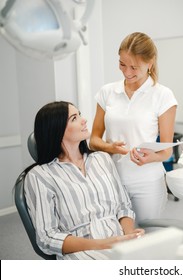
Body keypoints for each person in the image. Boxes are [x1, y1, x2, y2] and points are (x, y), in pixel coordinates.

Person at [24, 101, 145, 260]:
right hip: (82, 252)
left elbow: (123, 206)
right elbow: (47, 238)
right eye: (74, 118)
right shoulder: (39, 176)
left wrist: (129, 234)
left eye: (80, 114)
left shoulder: (102, 159)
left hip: (121, 242)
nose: (84, 120)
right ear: (57, 129)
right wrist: (103, 244)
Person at [90, 32, 178, 222]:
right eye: (122, 64)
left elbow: (166, 152)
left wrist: (151, 157)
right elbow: (93, 141)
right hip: (110, 181)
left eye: (134, 67)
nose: (127, 72)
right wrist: (109, 147)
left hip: (147, 184)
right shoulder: (107, 93)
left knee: (146, 239)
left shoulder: (163, 96)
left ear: (150, 62)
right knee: (115, 240)